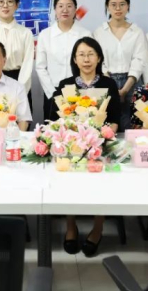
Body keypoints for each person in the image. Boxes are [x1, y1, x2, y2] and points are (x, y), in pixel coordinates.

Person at [51, 37, 121, 258]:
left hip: (101, 142)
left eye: (91, 54)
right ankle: (70, 225)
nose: (86, 59)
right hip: (72, 143)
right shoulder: (65, 85)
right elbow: (56, 119)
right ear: (75, 59)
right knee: (66, 176)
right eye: (81, 54)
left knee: (102, 180)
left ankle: (98, 228)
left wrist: (100, 136)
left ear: (99, 57)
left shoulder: (109, 84)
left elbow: (115, 119)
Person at [93, 0, 148, 131]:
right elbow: (98, 60)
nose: (118, 8)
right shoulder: (99, 32)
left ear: (128, 6)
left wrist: (125, 89)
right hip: (106, 80)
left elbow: (139, 61)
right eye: (113, 4)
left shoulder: (137, 32)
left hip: (132, 82)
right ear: (107, 6)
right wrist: (111, 84)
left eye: (122, 4)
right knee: (107, 125)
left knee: (133, 124)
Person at [36, 0, 92, 120]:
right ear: (55, 10)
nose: (65, 10)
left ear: (75, 9)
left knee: (81, 128)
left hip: (80, 91)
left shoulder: (85, 34)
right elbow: (40, 67)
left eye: (69, 6)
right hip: (53, 91)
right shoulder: (45, 35)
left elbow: (91, 63)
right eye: (60, 6)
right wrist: (52, 93)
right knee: (53, 130)